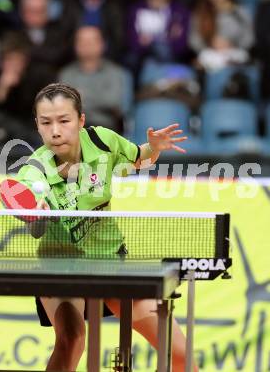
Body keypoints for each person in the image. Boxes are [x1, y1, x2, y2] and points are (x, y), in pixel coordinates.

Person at [15, 83, 198, 371]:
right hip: (61, 267)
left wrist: (155, 148)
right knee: (72, 340)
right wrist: (35, 216)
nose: (55, 131)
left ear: (81, 121)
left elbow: (139, 159)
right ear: (37, 125)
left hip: (110, 260)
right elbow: (33, 222)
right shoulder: (33, 172)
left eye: (64, 120)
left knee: (180, 354)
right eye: (46, 122)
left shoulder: (101, 141)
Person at [59, 26, 131, 132]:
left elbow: (115, 103)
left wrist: (81, 98)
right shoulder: (66, 74)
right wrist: (100, 99)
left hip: (106, 129)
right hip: (73, 130)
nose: (86, 45)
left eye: (91, 41)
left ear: (102, 44)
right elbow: (63, 106)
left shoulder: (116, 73)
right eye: (81, 41)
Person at [189, 0, 254, 71]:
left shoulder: (240, 12)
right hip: (209, 58)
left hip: (235, 57)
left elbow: (249, 39)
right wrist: (210, 45)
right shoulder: (200, 13)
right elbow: (194, 41)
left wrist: (232, 45)